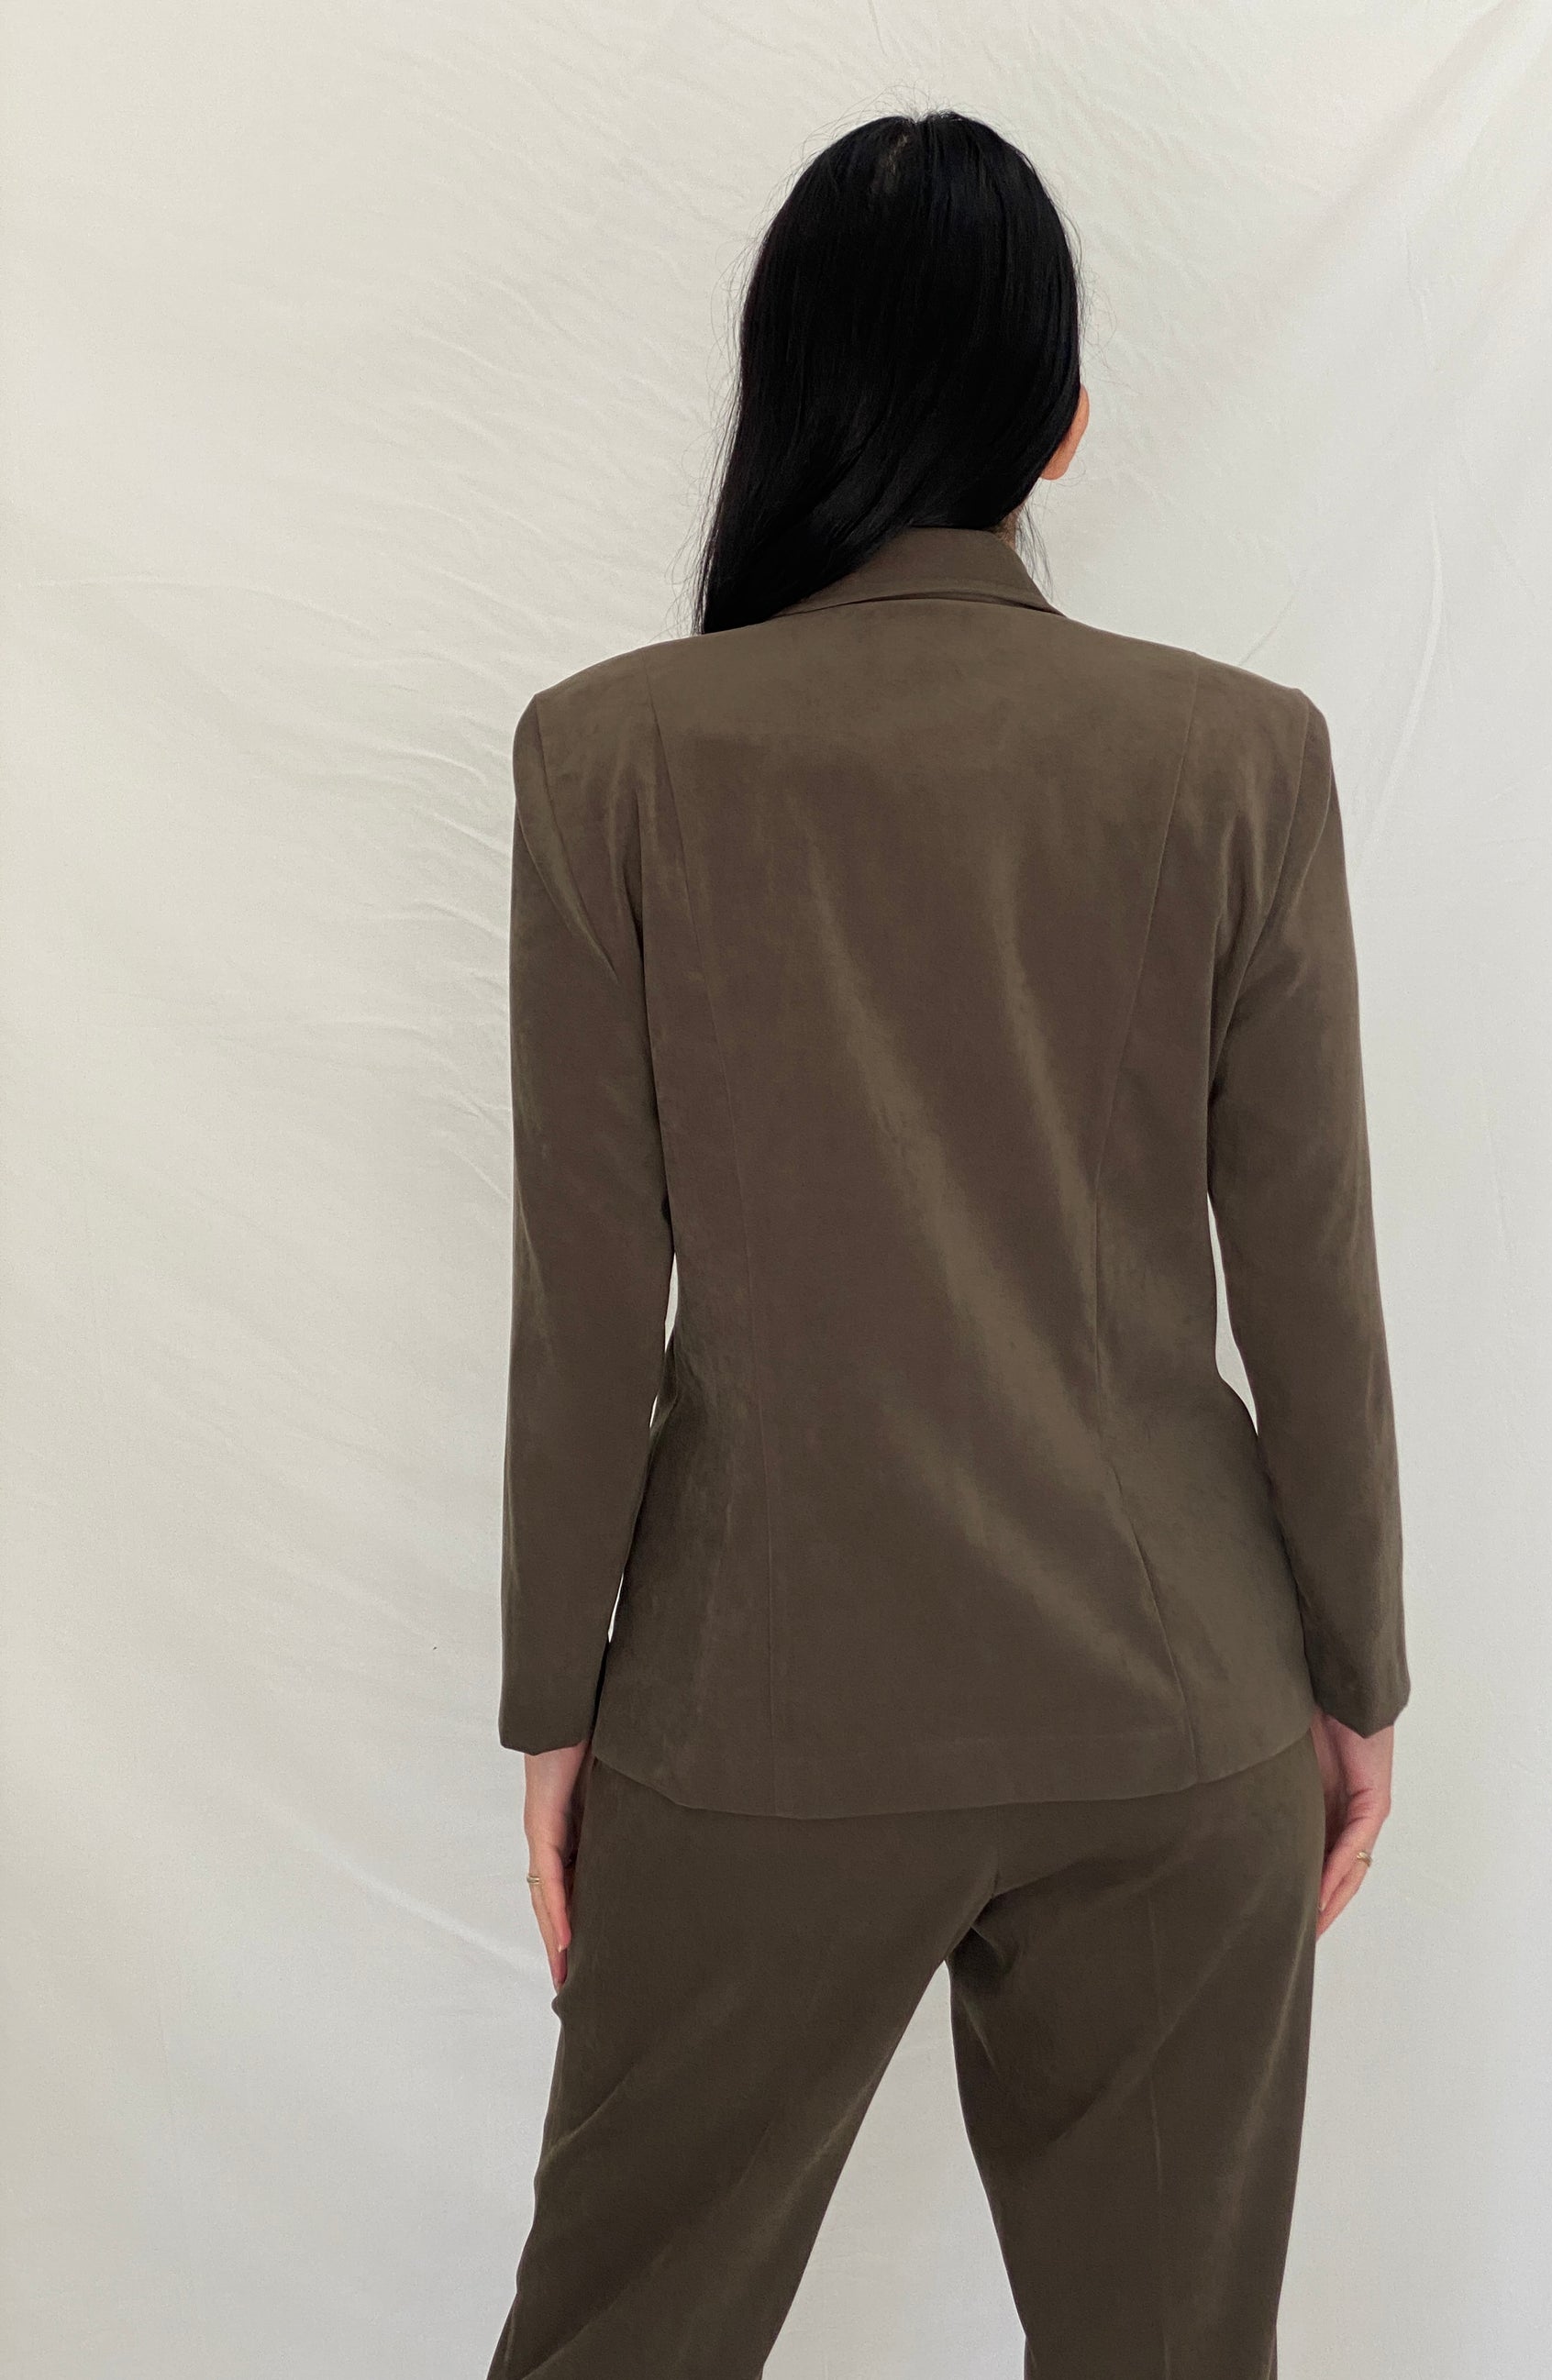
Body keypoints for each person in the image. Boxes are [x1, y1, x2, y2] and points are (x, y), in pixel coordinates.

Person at [484, 107, 1408, 2380]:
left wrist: (551, 1706)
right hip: (1173, 1695)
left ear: (783, 394)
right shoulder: (1236, 758)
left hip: (752, 1705)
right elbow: (1309, 1265)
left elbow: (586, 1299)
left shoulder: (611, 756)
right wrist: (1355, 1670)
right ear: (1061, 423)